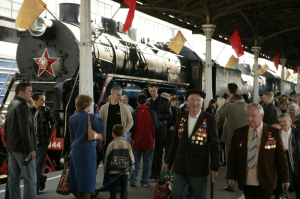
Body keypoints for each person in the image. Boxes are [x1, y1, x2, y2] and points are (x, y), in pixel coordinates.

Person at [162, 89, 220, 199]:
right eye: (192, 99)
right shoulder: (181, 117)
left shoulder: (209, 119)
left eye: (198, 100)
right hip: (180, 165)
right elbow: (175, 142)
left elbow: (214, 145)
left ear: (202, 103)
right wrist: (168, 161)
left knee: (199, 196)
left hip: (198, 167)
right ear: (187, 101)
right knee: (176, 194)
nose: (195, 102)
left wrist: (214, 167)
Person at [227, 103, 290, 199]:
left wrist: (285, 179)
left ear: (261, 116)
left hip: (266, 180)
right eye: (247, 115)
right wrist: (230, 176)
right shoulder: (239, 133)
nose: (249, 118)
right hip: (246, 181)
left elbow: (281, 158)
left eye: (253, 116)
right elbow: (232, 157)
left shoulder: (273, 133)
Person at [69, 95, 104, 199]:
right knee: (88, 175)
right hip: (88, 150)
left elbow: (72, 136)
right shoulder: (92, 117)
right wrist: (100, 118)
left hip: (75, 149)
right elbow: (101, 128)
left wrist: (71, 150)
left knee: (77, 175)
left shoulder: (71, 118)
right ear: (87, 104)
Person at [6, 82, 37, 199]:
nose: (32, 93)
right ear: (21, 92)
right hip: (23, 149)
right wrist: (31, 149)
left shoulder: (13, 104)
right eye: (29, 91)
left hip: (12, 148)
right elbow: (25, 130)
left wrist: (32, 107)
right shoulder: (22, 106)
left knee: (14, 179)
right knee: (30, 180)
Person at [99, 87, 133, 186]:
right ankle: (107, 183)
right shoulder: (104, 108)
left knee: (118, 161)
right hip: (108, 137)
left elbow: (130, 121)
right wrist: (101, 139)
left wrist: (124, 131)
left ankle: (117, 184)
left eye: (121, 94)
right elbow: (101, 124)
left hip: (119, 138)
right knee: (108, 160)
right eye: (118, 94)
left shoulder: (124, 107)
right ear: (112, 95)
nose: (120, 96)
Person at [218, 93, 247, 191]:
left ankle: (231, 184)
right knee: (243, 160)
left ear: (233, 99)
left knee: (230, 161)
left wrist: (227, 103)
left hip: (231, 138)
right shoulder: (248, 106)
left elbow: (220, 112)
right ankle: (244, 182)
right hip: (245, 138)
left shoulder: (230, 106)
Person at [129, 94, 159, 187]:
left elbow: (130, 127)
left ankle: (133, 180)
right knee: (147, 162)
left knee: (135, 161)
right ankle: (145, 181)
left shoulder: (134, 113)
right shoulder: (152, 112)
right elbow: (157, 126)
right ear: (146, 101)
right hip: (149, 142)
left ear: (137, 102)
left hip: (136, 142)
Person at [32, 92, 56, 193]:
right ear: (35, 100)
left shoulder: (46, 110)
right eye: (41, 99)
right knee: (31, 166)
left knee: (37, 166)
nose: (44, 101)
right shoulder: (29, 111)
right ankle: (41, 178)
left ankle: (35, 189)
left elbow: (53, 123)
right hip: (31, 143)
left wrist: (50, 137)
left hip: (42, 142)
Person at [147, 84, 172, 179]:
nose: (152, 93)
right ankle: (153, 172)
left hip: (161, 129)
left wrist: (156, 117)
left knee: (159, 152)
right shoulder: (149, 102)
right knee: (151, 152)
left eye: (154, 91)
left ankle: (157, 173)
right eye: (150, 91)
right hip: (150, 130)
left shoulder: (165, 101)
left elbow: (168, 115)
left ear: (157, 90)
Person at [104, 124, 135, 199]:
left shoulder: (111, 145)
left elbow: (107, 159)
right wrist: (131, 168)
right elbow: (131, 157)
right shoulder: (127, 144)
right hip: (124, 171)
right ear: (123, 133)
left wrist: (106, 170)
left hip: (113, 171)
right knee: (124, 188)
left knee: (113, 189)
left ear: (113, 134)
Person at [276, 114, 300, 199]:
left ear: (290, 122)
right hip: (281, 158)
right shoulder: (276, 133)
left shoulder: (297, 133)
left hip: (294, 159)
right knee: (281, 182)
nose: (282, 124)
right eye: (280, 122)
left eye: (284, 121)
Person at [161, 93, 177, 161]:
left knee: (168, 150)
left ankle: (166, 166)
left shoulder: (173, 109)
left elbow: (176, 120)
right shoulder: (158, 108)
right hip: (160, 132)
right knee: (158, 151)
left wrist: (173, 125)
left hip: (169, 132)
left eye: (167, 100)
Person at [216, 96, 226, 166]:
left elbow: (218, 121)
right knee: (224, 146)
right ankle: (224, 160)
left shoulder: (219, 111)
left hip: (219, 129)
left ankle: (219, 160)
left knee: (219, 145)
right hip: (224, 129)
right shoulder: (225, 109)